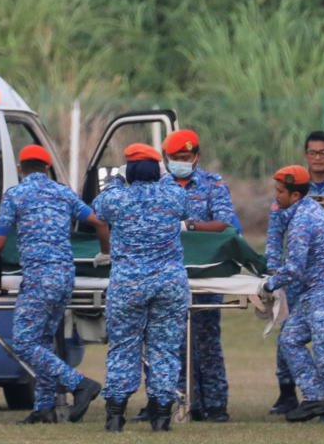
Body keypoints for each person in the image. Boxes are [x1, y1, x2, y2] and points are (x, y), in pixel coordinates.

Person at [0, 144, 110, 424]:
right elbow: (100, 223)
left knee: (23, 342)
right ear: (47, 169)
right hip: (64, 278)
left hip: (39, 279)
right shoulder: (63, 193)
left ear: (20, 169)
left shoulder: (15, 195)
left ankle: (80, 384)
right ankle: (44, 408)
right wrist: (105, 253)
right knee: (42, 341)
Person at [94, 143, 188, 432]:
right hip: (169, 284)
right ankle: (161, 417)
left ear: (130, 170)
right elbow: (184, 204)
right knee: (165, 349)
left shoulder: (117, 198)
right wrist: (164, 175)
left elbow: (99, 208)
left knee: (124, 347)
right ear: (158, 170)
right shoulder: (173, 194)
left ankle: (115, 416)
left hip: (128, 285)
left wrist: (118, 179)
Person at [263, 165, 324, 424]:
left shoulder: (302, 220)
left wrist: (268, 284)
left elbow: (294, 267)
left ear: (295, 195)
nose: (276, 196)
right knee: (290, 340)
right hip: (316, 292)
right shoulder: (303, 210)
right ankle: (315, 397)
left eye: (280, 191)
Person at [163, 128, 240, 422]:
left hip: (205, 272)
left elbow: (223, 222)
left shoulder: (212, 184)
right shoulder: (159, 185)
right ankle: (182, 402)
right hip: (169, 273)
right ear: (165, 158)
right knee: (173, 341)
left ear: (197, 157)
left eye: (186, 156)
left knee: (207, 339)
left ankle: (216, 404)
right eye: (176, 157)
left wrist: (190, 227)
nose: (181, 161)